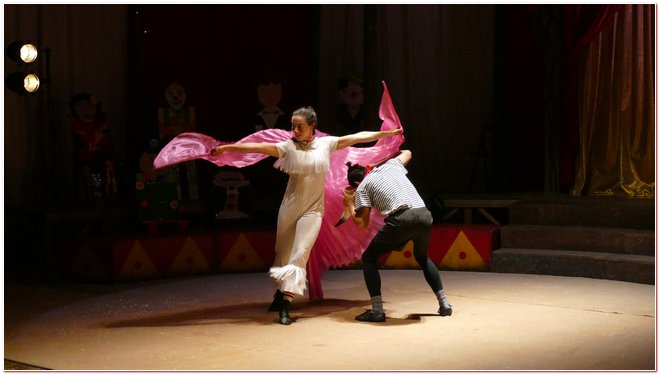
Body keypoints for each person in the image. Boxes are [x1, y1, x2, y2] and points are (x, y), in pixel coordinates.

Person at [210, 106, 402, 325]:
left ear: (312, 127)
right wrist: (226, 147)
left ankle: (286, 303)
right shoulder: (287, 147)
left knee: (300, 252)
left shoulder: (326, 144)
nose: (295, 130)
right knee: (282, 254)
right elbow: (257, 147)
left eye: (300, 126)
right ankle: (280, 292)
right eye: (293, 126)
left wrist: (387, 134)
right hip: (289, 208)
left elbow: (357, 137)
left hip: (313, 210)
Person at [342, 149, 452, 322]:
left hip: (401, 219)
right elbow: (408, 152)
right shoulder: (391, 166)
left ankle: (377, 310)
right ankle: (444, 304)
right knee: (422, 257)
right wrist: (379, 162)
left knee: (369, 258)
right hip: (424, 214)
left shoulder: (362, 187)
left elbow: (362, 223)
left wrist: (349, 204)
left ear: (356, 183)